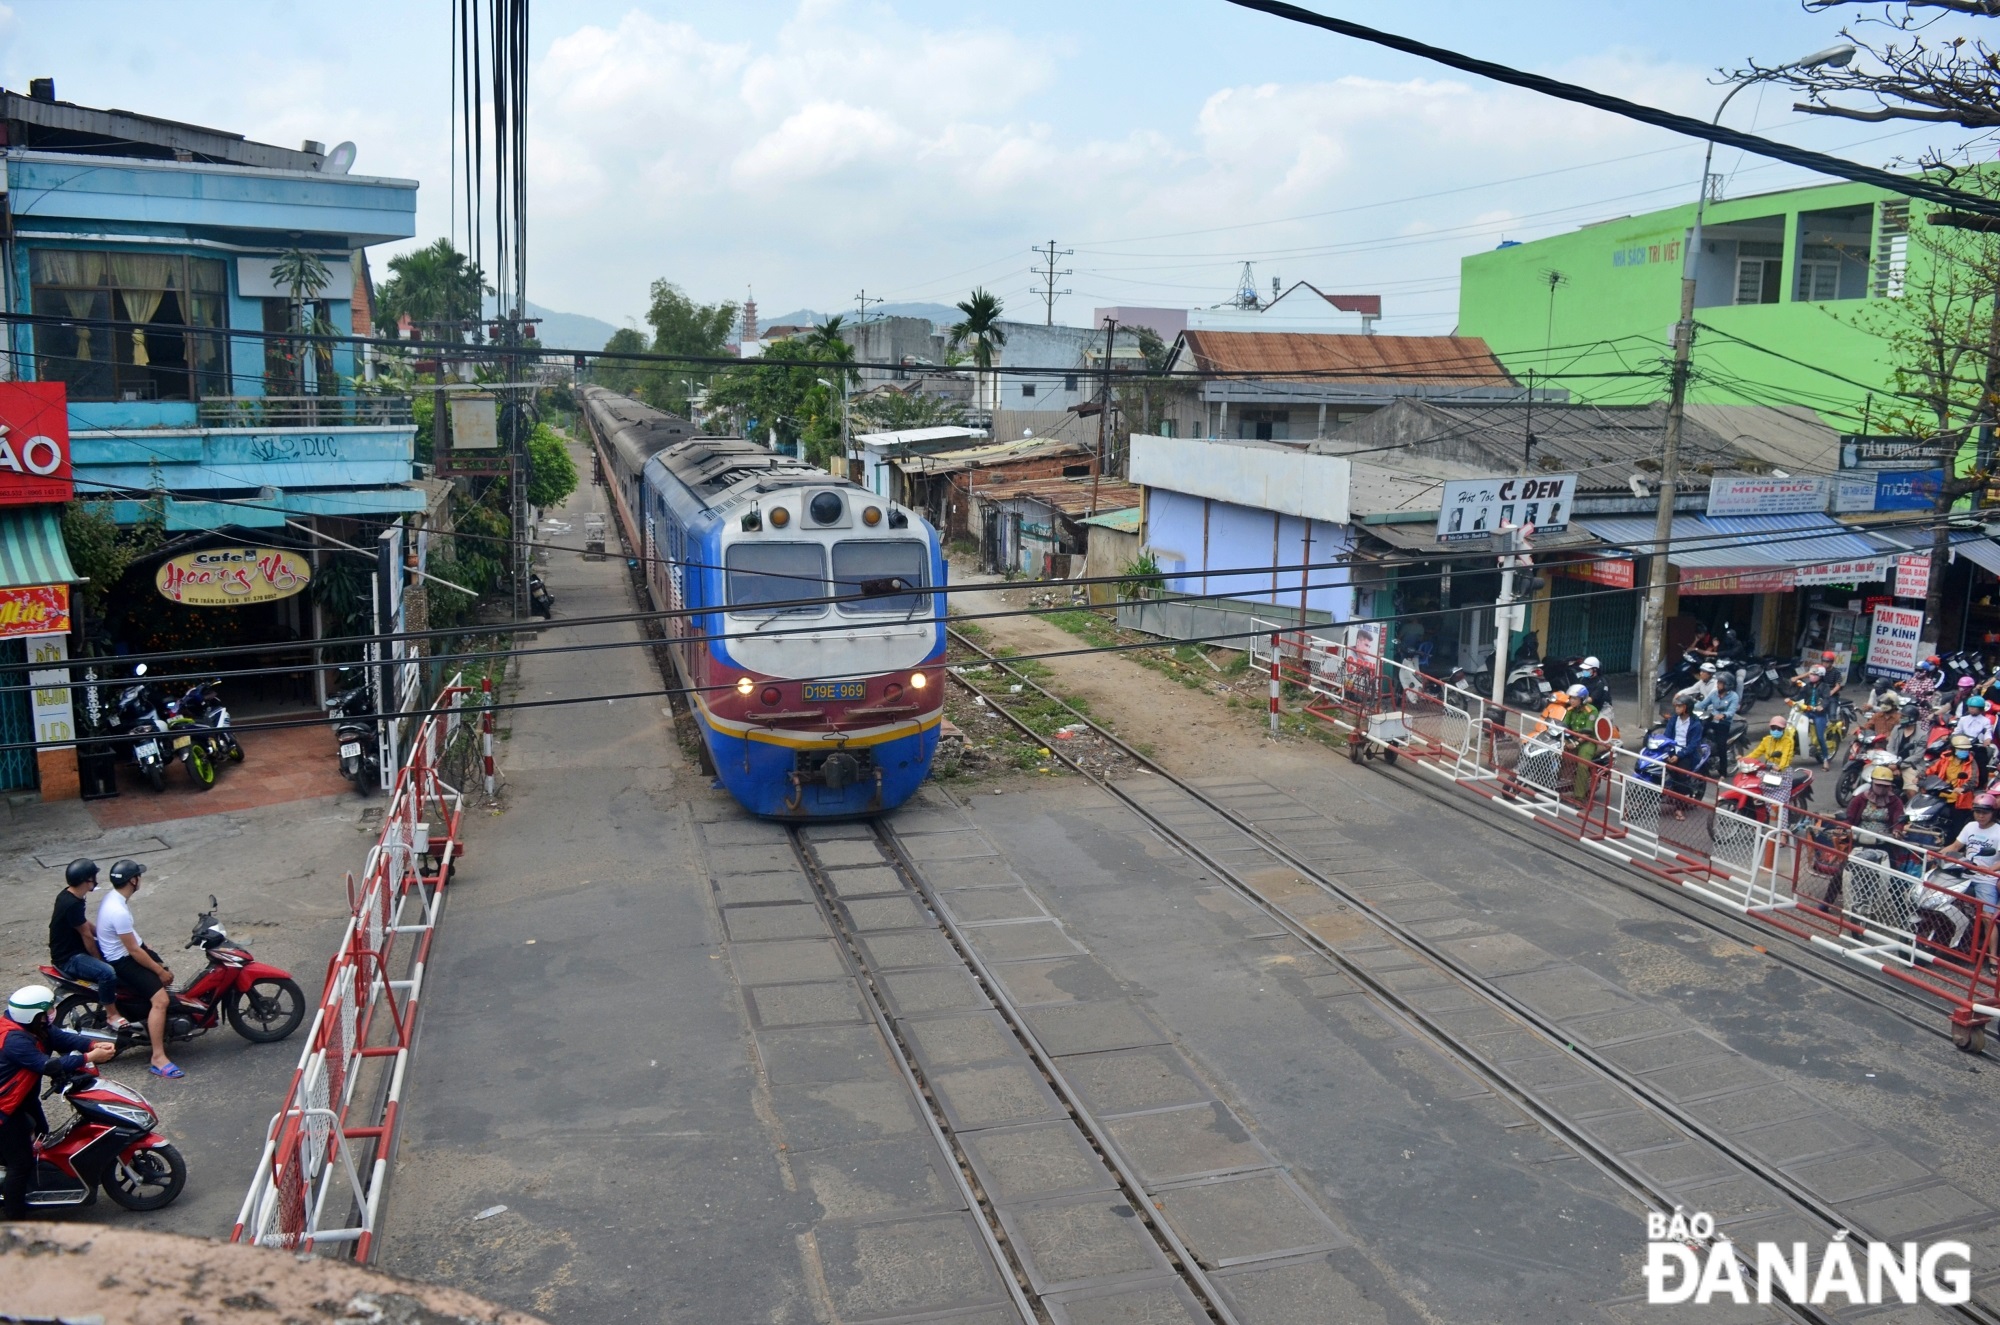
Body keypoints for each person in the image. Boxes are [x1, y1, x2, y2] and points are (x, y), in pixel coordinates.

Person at [0, 984, 113, 1219]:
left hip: (21, 1100)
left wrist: (92, 1045)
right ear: (33, 1015)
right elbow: (49, 1066)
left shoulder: (35, 1028)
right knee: (19, 1163)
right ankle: (15, 1219)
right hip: (5, 1109)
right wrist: (89, 1057)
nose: (51, 1013)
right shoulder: (15, 1041)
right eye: (47, 1010)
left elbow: (61, 1038)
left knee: (41, 1135)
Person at [95, 860, 180, 1078]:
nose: (140, 879)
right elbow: (133, 951)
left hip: (121, 953)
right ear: (133, 880)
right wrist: (159, 972)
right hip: (121, 961)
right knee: (161, 1001)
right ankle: (158, 1058)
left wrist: (153, 955)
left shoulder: (113, 899)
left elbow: (134, 941)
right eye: (138, 876)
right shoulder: (119, 910)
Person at [47, 860, 124, 1032]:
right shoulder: (72, 903)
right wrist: (98, 958)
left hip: (72, 950)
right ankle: (112, 1015)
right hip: (69, 958)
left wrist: (105, 936)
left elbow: (83, 924)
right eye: (93, 877)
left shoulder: (70, 896)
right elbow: (85, 934)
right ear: (86, 880)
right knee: (107, 972)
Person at [1944, 793, 2000, 918]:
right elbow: (1955, 846)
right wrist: (1937, 855)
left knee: (1987, 918)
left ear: (1993, 813)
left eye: (1985, 813)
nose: (1981, 816)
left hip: (1986, 880)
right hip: (1964, 874)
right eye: (1978, 812)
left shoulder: (1998, 831)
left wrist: (1989, 870)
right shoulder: (1970, 826)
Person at [1929, 734, 1986, 841]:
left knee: (1957, 827)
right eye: (1961, 749)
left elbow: (1973, 780)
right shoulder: (1945, 758)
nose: (1964, 752)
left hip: (1960, 798)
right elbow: (1931, 769)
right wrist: (1920, 777)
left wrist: (1963, 788)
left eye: (1966, 750)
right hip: (1942, 793)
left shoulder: (1971, 763)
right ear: (1954, 749)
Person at [1562, 683, 1605, 800]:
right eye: (1570, 698)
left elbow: (1587, 732)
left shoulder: (1591, 711)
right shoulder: (1570, 710)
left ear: (1582, 699)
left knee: (1582, 765)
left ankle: (1579, 797)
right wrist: (1565, 740)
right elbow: (1564, 726)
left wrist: (1575, 743)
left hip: (1587, 741)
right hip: (1572, 738)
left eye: (1574, 698)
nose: (1571, 700)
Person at [1845, 763, 1907, 840]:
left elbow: (1898, 820)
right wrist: (1843, 827)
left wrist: (1897, 830)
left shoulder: (1895, 802)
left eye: (1885, 786)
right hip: (1858, 837)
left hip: (1885, 839)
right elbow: (1849, 816)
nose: (1882, 788)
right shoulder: (1860, 798)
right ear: (1872, 783)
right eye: (1878, 785)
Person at [1662, 694, 1705, 797]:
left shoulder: (1696, 724)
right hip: (1672, 750)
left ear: (1686, 708)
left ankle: (1680, 807)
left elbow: (1692, 745)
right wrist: (1666, 751)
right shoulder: (1673, 719)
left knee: (1680, 776)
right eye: (1676, 706)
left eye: (1679, 706)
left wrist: (1679, 755)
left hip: (1687, 754)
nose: (1676, 708)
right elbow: (1666, 736)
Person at [1793, 667, 1834, 767]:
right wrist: (1791, 700)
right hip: (1807, 711)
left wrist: (1822, 706)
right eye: (1811, 674)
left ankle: (1825, 759)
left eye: (1814, 675)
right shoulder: (1807, 686)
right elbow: (1799, 696)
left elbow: (1826, 699)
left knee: (1820, 737)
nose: (1811, 676)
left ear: (1820, 676)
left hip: (1819, 714)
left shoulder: (1825, 687)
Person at [1693, 671, 1740, 757]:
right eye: (1718, 682)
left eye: (1720, 683)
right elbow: (1702, 704)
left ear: (1727, 685)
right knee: (1697, 734)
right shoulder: (1714, 694)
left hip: (1723, 723)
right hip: (1711, 719)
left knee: (1721, 746)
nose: (1718, 684)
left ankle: (1723, 769)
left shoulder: (1734, 696)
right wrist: (1690, 707)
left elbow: (1731, 711)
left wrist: (1724, 715)